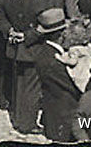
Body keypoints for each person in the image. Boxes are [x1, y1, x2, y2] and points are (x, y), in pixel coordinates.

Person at [0, 0, 49, 134]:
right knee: (31, 88)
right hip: (32, 48)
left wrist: (9, 31)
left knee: (18, 84)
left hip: (13, 47)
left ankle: (17, 116)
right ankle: (27, 123)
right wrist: (27, 36)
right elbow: (44, 26)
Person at [33, 8, 83, 141]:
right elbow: (72, 87)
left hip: (53, 114)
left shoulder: (45, 52)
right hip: (63, 118)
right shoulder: (52, 61)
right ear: (61, 34)